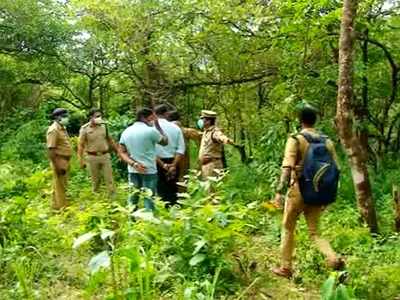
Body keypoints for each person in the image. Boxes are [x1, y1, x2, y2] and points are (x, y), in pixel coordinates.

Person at [271, 107, 344, 279]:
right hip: (318, 193)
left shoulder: (296, 139)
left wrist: (279, 191)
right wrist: (328, 196)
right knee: (315, 233)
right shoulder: (327, 142)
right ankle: (333, 258)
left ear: (300, 120)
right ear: (315, 121)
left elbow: (287, 166)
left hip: (298, 191)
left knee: (288, 228)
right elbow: (337, 170)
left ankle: (286, 267)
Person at [119, 107, 168, 211]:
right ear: (143, 118)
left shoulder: (126, 131)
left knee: (133, 197)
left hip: (133, 170)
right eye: (151, 118)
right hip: (149, 170)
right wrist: (158, 126)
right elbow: (165, 142)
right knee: (149, 198)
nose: (153, 120)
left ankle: (131, 220)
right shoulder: (151, 131)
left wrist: (134, 164)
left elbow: (122, 152)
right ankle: (150, 221)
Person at [78, 108, 119, 197]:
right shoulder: (84, 129)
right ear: (91, 117)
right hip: (92, 157)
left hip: (105, 156)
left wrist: (118, 151)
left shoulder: (104, 126)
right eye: (97, 116)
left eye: (100, 116)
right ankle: (96, 197)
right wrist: (81, 160)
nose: (99, 118)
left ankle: (112, 197)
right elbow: (80, 145)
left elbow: (110, 140)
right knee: (96, 180)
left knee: (109, 178)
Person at [154, 104, 185, 206]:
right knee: (173, 188)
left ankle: (162, 211)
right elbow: (181, 149)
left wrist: (162, 164)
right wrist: (173, 165)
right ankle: (174, 210)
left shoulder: (151, 128)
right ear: (166, 113)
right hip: (173, 160)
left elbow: (149, 150)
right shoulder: (176, 128)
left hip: (156, 162)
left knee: (159, 188)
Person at [46, 108, 73, 210]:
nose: (67, 118)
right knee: (61, 187)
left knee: (59, 185)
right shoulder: (53, 130)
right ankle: (63, 209)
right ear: (57, 117)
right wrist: (57, 166)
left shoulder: (62, 128)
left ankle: (55, 206)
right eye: (64, 116)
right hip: (59, 160)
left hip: (65, 160)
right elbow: (51, 150)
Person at [198, 110, 234, 179]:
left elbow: (220, 136)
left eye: (203, 119)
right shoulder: (206, 131)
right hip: (206, 166)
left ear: (208, 121)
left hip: (213, 165)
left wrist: (226, 140)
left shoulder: (214, 132)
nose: (201, 121)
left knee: (212, 188)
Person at [167, 110, 202, 183]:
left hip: (168, 158)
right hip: (183, 158)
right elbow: (199, 137)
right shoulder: (185, 130)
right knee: (183, 178)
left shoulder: (164, 130)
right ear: (180, 119)